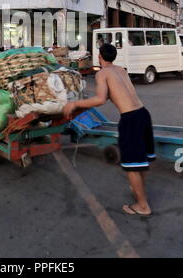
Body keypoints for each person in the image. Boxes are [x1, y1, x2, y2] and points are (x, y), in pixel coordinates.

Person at [63, 43, 155, 217]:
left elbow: (100, 99)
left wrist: (75, 103)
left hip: (130, 119)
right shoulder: (121, 70)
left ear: (100, 57)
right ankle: (140, 192)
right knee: (140, 160)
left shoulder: (102, 73)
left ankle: (143, 206)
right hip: (143, 114)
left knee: (132, 165)